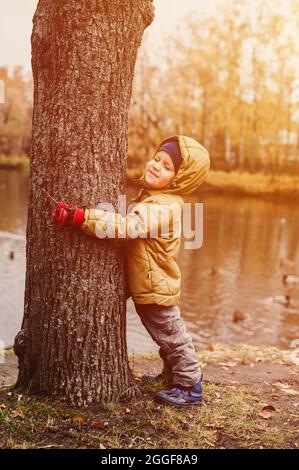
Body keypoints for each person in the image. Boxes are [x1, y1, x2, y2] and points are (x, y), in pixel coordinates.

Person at [51, 135, 210, 407]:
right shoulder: (157, 199)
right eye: (157, 159)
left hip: (156, 286)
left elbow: (127, 227)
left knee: (172, 336)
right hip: (151, 282)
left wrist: (83, 218)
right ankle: (172, 376)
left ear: (178, 179)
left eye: (167, 166)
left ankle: (190, 386)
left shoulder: (163, 206)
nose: (156, 166)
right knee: (165, 334)